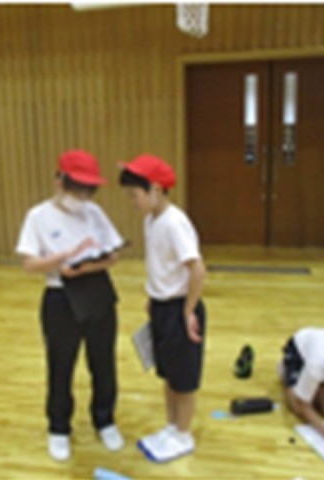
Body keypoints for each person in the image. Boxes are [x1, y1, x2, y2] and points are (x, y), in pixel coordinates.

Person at [16, 150, 125, 461]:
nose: (83, 197)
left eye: (89, 190)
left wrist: (87, 266)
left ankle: (105, 419)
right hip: (60, 296)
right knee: (61, 366)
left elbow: (114, 255)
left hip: (97, 290)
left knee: (103, 361)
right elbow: (29, 264)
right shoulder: (38, 216)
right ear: (59, 182)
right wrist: (63, 260)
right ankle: (59, 427)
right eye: (78, 189)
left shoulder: (95, 212)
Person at [118, 154, 207, 463]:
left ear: (155, 189)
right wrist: (153, 297)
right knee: (168, 373)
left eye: (135, 195)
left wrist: (189, 310)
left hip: (180, 308)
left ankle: (184, 434)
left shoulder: (174, 223)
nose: (132, 202)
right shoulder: (150, 220)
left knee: (183, 379)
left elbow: (198, 269)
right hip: (161, 307)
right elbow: (161, 265)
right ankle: (171, 428)